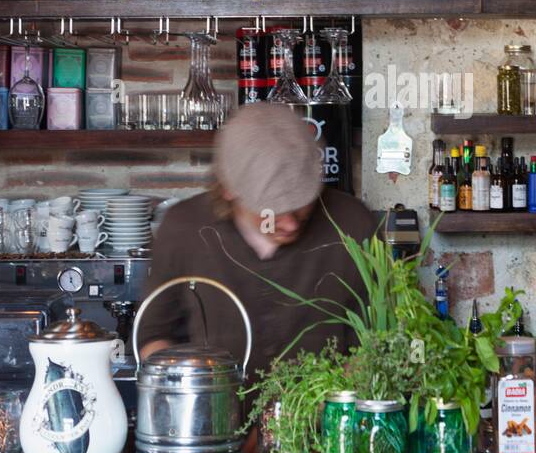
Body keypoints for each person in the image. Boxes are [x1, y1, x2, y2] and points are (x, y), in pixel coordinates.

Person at [136, 103, 377, 382]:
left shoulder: (353, 225)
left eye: (302, 205)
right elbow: (153, 336)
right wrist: (196, 392)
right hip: (214, 408)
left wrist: (330, 396)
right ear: (229, 189)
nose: (291, 224)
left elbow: (379, 342)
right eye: (272, 211)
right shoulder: (184, 228)